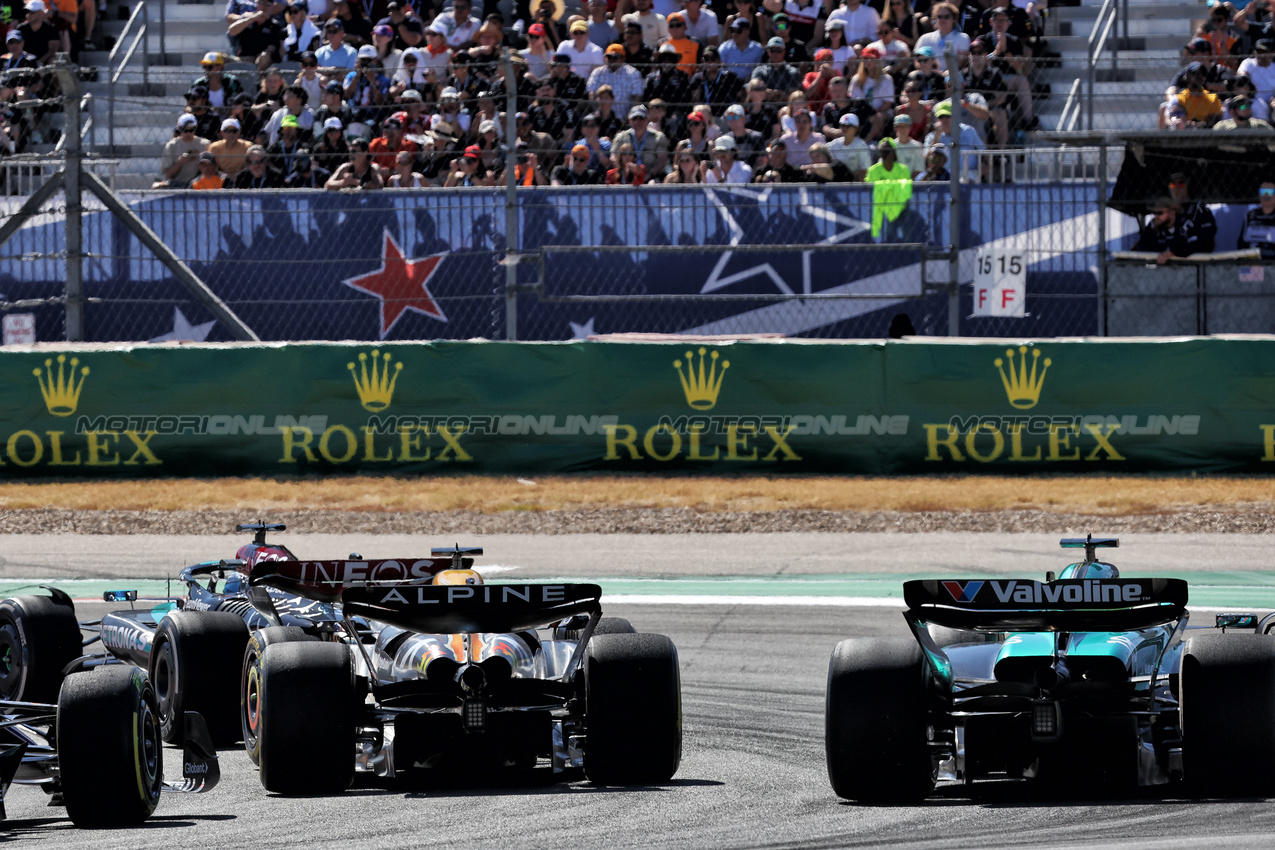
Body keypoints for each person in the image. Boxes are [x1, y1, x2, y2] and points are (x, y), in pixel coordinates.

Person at [865, 136, 912, 239]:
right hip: (880, 205)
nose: (884, 154)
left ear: (893, 152)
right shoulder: (873, 170)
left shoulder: (903, 169)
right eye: (882, 151)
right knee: (888, 233)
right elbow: (868, 188)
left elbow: (906, 188)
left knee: (907, 230)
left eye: (887, 151)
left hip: (901, 206)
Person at [924, 100, 982, 180]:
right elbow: (927, 159)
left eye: (947, 116)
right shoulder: (931, 137)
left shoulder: (968, 131)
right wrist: (937, 137)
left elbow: (983, 151)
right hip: (943, 177)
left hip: (968, 174)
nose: (944, 120)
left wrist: (984, 166)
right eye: (941, 117)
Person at [587, 44, 646, 117]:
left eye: (616, 57)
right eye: (609, 57)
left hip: (624, 117)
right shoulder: (598, 72)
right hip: (601, 117)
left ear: (623, 58)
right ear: (605, 58)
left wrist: (629, 117)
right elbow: (592, 93)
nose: (612, 60)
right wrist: (597, 112)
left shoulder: (633, 73)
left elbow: (637, 96)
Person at [1133, 199, 1199, 264]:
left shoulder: (1185, 225)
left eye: (1159, 213)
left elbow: (1195, 246)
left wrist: (1173, 252)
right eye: (1154, 213)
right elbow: (1142, 246)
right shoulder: (1154, 225)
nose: (1155, 216)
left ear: (1172, 214)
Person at [154, 114, 210, 188]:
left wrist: (201, 160)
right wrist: (180, 162)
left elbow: (211, 171)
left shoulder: (204, 144)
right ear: (179, 128)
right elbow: (169, 175)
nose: (188, 133)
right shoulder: (172, 146)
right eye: (185, 130)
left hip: (199, 183)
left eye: (191, 130)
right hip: (178, 183)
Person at [1167, 172, 1217, 254]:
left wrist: (1175, 252)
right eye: (1173, 185)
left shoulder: (1199, 210)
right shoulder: (1163, 213)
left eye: (1180, 184)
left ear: (1188, 185)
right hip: (1166, 263)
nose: (1176, 189)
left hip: (1195, 263)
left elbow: (1206, 243)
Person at [613, 104, 670, 175]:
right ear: (629, 120)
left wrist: (649, 175)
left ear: (647, 119)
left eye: (641, 118)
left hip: (650, 176)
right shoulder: (621, 136)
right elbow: (613, 157)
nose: (638, 121)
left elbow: (662, 160)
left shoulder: (658, 137)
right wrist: (623, 173)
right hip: (626, 175)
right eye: (634, 118)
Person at [913, 2, 969, 73]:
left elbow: (961, 63)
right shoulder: (925, 38)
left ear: (954, 19)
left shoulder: (963, 38)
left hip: (951, 77)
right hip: (928, 75)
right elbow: (916, 61)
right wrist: (932, 73)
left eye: (946, 17)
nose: (942, 19)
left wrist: (945, 73)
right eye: (939, 16)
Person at [826, 112, 870, 180]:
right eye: (842, 125)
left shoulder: (861, 146)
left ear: (856, 128)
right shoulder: (835, 143)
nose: (844, 128)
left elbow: (865, 170)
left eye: (848, 126)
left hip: (853, 181)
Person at [1237, 180, 1275, 258]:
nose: (1266, 195)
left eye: (1270, 191)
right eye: (1263, 191)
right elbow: (1241, 244)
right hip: (1251, 261)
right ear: (1259, 195)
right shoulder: (1249, 216)